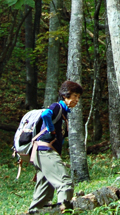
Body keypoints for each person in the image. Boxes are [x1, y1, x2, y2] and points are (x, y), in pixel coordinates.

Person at [28, 80, 83, 214]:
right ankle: (64, 211)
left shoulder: (63, 114)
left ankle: (34, 212)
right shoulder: (57, 107)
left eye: (78, 97)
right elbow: (45, 114)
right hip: (45, 151)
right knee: (65, 184)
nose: (77, 100)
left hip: (41, 153)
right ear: (66, 95)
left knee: (43, 192)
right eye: (75, 96)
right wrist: (51, 129)